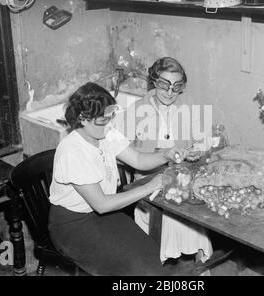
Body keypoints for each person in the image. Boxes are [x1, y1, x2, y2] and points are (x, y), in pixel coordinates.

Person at [48, 82, 188, 276]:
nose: (109, 123)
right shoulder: (72, 151)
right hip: (73, 224)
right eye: (103, 119)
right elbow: (102, 204)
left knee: (153, 259)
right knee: (141, 270)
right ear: (83, 119)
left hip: (103, 215)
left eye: (111, 115)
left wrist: (166, 154)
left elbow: (138, 160)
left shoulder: (105, 133)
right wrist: (151, 185)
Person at [120, 57, 213, 264]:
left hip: (183, 172)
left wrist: (196, 150)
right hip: (147, 178)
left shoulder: (188, 106)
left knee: (198, 209)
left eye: (176, 86)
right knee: (175, 211)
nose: (170, 93)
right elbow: (121, 152)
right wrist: (161, 153)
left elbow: (203, 141)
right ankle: (157, 262)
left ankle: (200, 262)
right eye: (164, 85)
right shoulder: (136, 110)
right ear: (154, 81)